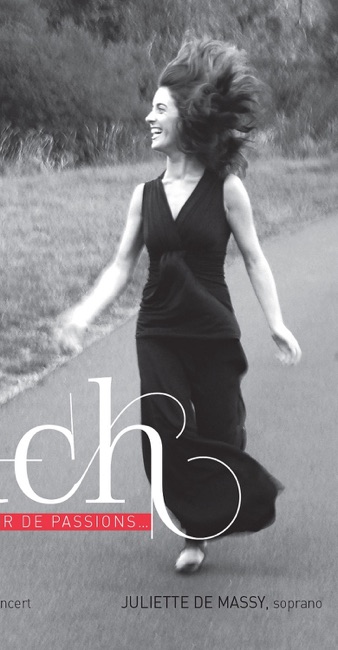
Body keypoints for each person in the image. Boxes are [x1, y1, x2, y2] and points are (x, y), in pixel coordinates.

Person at [55, 39, 301, 574]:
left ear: (187, 117)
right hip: (159, 328)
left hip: (212, 328)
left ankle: (208, 519)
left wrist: (277, 323)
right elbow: (121, 265)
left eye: (160, 108)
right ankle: (191, 530)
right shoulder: (143, 196)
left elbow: (255, 259)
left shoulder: (226, 189)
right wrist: (82, 314)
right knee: (165, 431)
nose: (149, 117)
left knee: (218, 431)